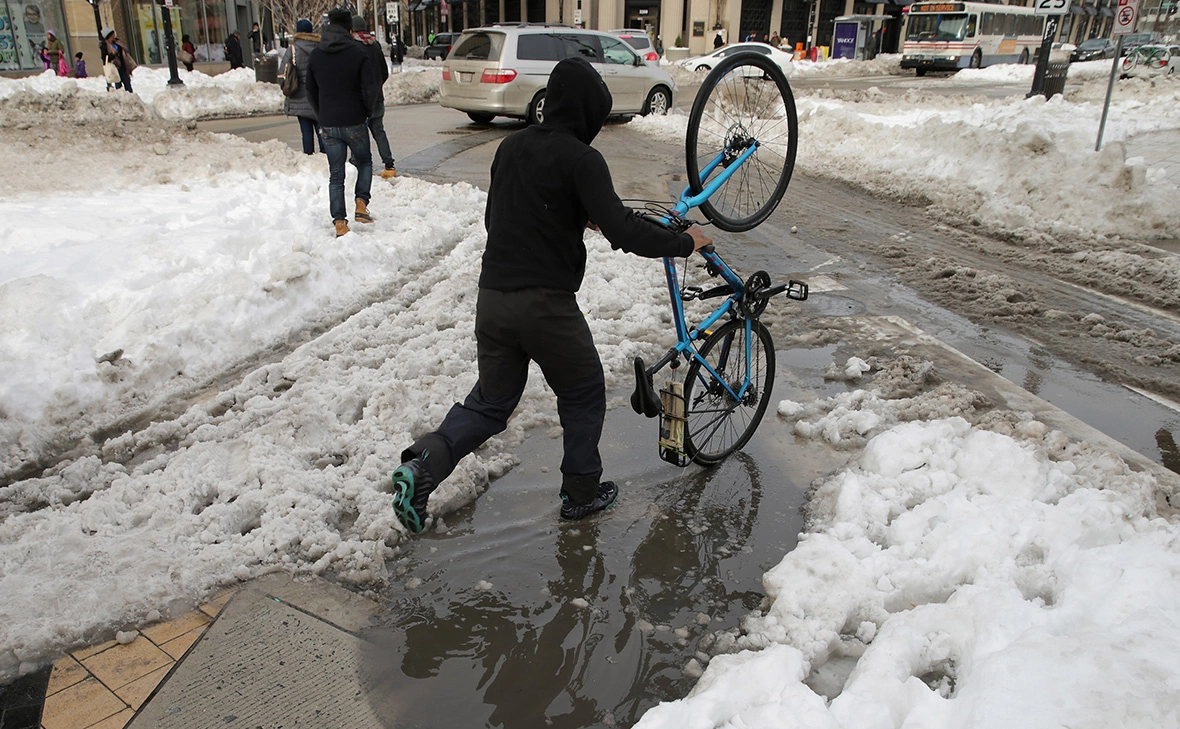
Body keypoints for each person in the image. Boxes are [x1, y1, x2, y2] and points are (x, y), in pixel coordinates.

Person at [388, 57, 712, 535]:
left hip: (493, 298)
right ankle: (582, 494)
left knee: (489, 404)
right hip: (545, 306)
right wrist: (688, 242)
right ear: (586, 113)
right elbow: (624, 230)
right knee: (583, 392)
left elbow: (501, 218)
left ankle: (423, 466)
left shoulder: (511, 146)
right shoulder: (583, 159)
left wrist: (569, 216)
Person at [306, 7, 379, 238]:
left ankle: (340, 222)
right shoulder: (357, 53)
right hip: (354, 120)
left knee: (336, 174)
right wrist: (366, 112)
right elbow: (370, 88)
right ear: (349, 28)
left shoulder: (316, 55)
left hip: (328, 122)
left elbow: (310, 90)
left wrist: (322, 114)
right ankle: (361, 203)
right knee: (365, 161)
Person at [352, 15, 397, 179]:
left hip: (361, 99)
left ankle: (357, 165)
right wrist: (377, 86)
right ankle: (389, 165)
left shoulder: (354, 46)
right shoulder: (375, 45)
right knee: (378, 131)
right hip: (378, 97)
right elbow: (384, 72)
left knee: (359, 133)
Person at [280, 19, 323, 156]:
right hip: (318, 96)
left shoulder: (292, 49)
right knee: (322, 131)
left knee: (306, 133)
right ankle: (325, 159)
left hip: (299, 97)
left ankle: (308, 158)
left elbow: (282, 73)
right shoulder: (321, 48)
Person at [101, 28, 134, 93]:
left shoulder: (117, 43)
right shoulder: (105, 46)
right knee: (118, 84)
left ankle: (130, 96)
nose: (114, 36)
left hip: (122, 66)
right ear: (108, 36)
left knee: (127, 83)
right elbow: (104, 58)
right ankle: (120, 97)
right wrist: (112, 54)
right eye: (112, 35)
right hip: (114, 68)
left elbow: (124, 52)